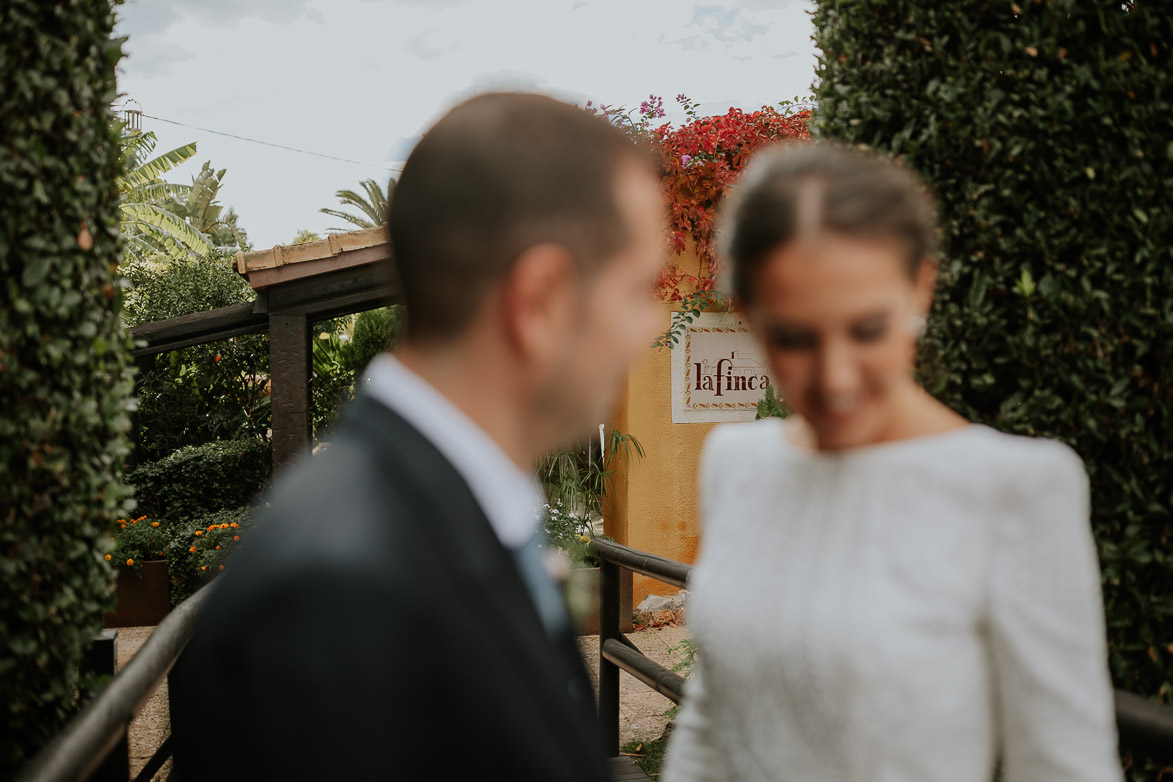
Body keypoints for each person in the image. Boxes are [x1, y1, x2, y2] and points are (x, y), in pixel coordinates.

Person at [170, 92, 666, 781]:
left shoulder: (433, 513)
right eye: (638, 287)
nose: (648, 326)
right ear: (542, 300)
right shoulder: (340, 600)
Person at [663, 143, 1122, 781]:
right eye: (794, 338)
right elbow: (711, 721)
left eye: (868, 329)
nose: (837, 378)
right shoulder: (736, 463)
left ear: (921, 288)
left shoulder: (1015, 487)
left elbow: (1066, 768)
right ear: (746, 316)